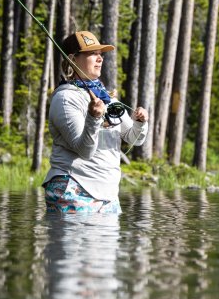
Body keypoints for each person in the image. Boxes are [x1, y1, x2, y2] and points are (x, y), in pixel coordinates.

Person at [42, 30, 148, 214]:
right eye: (92, 54)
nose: (100, 59)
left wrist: (140, 123)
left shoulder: (106, 98)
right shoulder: (65, 98)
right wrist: (94, 118)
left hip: (108, 195)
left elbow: (134, 139)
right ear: (73, 59)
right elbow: (85, 151)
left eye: (100, 54)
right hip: (73, 190)